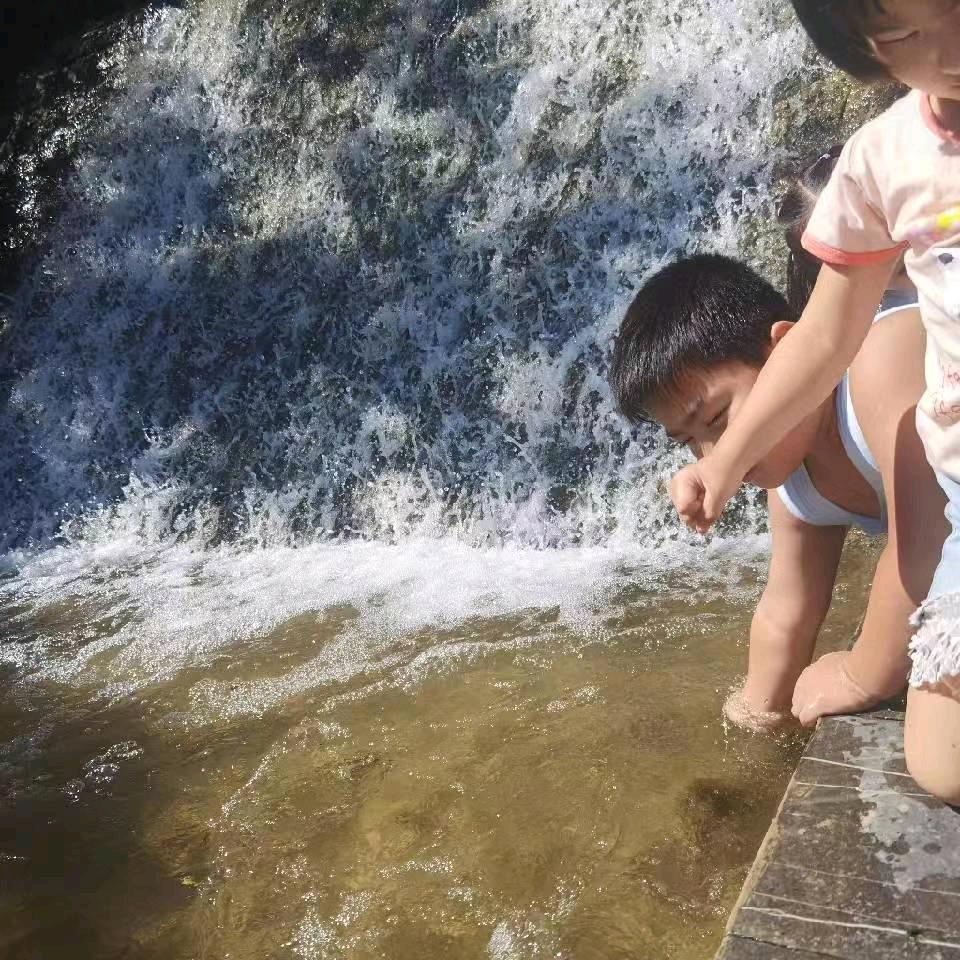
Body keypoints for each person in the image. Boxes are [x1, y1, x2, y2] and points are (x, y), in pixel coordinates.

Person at [667, 0, 960, 803]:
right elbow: (826, 334)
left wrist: (871, 666)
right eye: (907, 37)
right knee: (938, 766)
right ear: (862, 52)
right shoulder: (884, 159)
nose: (952, 47)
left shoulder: (886, 370)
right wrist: (724, 462)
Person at [609, 252, 945, 735]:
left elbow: (927, 539)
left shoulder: (881, 354)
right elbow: (788, 606)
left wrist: (862, 672)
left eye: (717, 418)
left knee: (938, 761)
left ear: (785, 349)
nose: (715, 453)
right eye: (689, 442)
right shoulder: (792, 477)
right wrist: (758, 714)